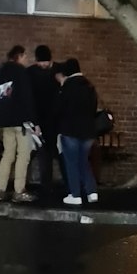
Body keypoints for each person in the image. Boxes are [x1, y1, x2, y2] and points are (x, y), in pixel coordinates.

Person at [0, 44, 39, 203]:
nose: (26, 60)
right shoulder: (21, 72)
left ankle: (0, 190)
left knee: (7, 155)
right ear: (19, 56)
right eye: (25, 57)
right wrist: (35, 122)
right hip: (21, 122)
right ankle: (19, 191)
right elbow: (28, 99)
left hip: (5, 122)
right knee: (23, 156)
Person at [55, 57, 99, 206]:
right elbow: (93, 109)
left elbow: (59, 109)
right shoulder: (89, 86)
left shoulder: (67, 86)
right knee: (83, 162)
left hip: (70, 131)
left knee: (71, 163)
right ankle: (92, 192)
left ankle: (75, 195)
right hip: (88, 132)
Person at [29, 44, 62, 202]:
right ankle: (46, 186)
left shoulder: (31, 72)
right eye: (40, 62)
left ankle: (48, 186)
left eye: (45, 62)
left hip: (52, 121)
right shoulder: (55, 71)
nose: (43, 65)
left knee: (49, 154)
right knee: (46, 155)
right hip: (42, 121)